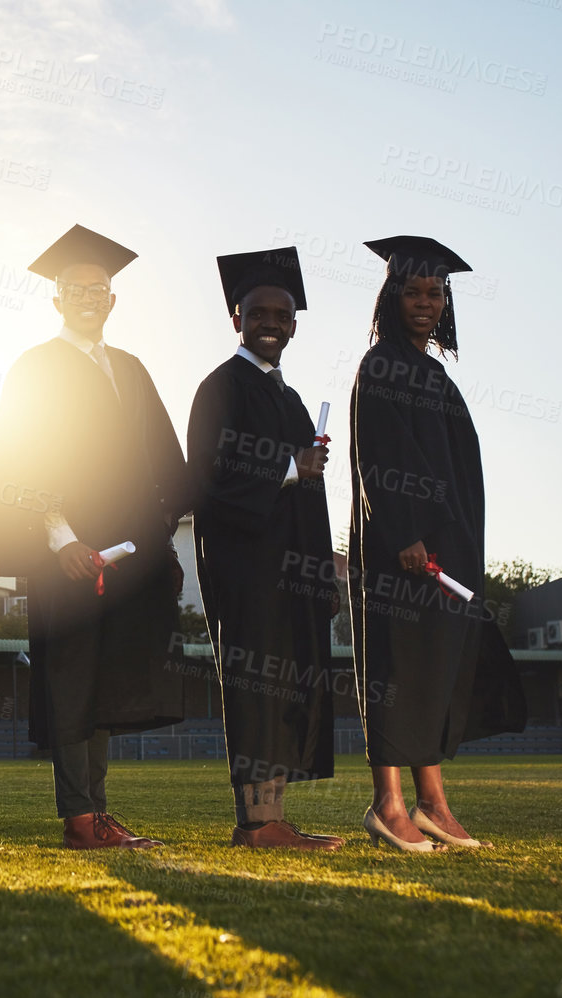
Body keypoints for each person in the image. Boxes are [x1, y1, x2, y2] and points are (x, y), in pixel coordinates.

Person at [0, 225, 188, 851]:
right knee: (72, 680)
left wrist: (156, 533)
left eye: (98, 288)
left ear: (112, 299)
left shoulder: (130, 369)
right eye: (74, 288)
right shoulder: (35, 367)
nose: (88, 297)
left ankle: (97, 811)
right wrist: (60, 538)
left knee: (103, 682)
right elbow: (18, 459)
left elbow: (162, 460)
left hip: (124, 558)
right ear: (56, 300)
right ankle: (80, 816)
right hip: (68, 556)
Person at [348, 236, 525, 852]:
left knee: (436, 673)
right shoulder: (381, 366)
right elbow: (379, 457)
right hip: (407, 554)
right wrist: (405, 532)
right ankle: (387, 805)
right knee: (399, 669)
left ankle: (433, 804)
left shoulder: (434, 374)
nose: (425, 303)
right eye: (413, 292)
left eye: (435, 293)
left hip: (447, 555)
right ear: (391, 296)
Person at [187, 247, 343, 851]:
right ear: (237, 319)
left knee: (290, 689)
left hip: (292, 571)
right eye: (259, 313)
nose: (271, 323)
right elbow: (207, 480)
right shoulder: (221, 387)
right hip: (248, 571)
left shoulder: (292, 398)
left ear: (295, 325)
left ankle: (272, 817)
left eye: (282, 314)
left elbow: (311, 494)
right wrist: (286, 467)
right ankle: (256, 823)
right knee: (258, 688)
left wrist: (324, 571)